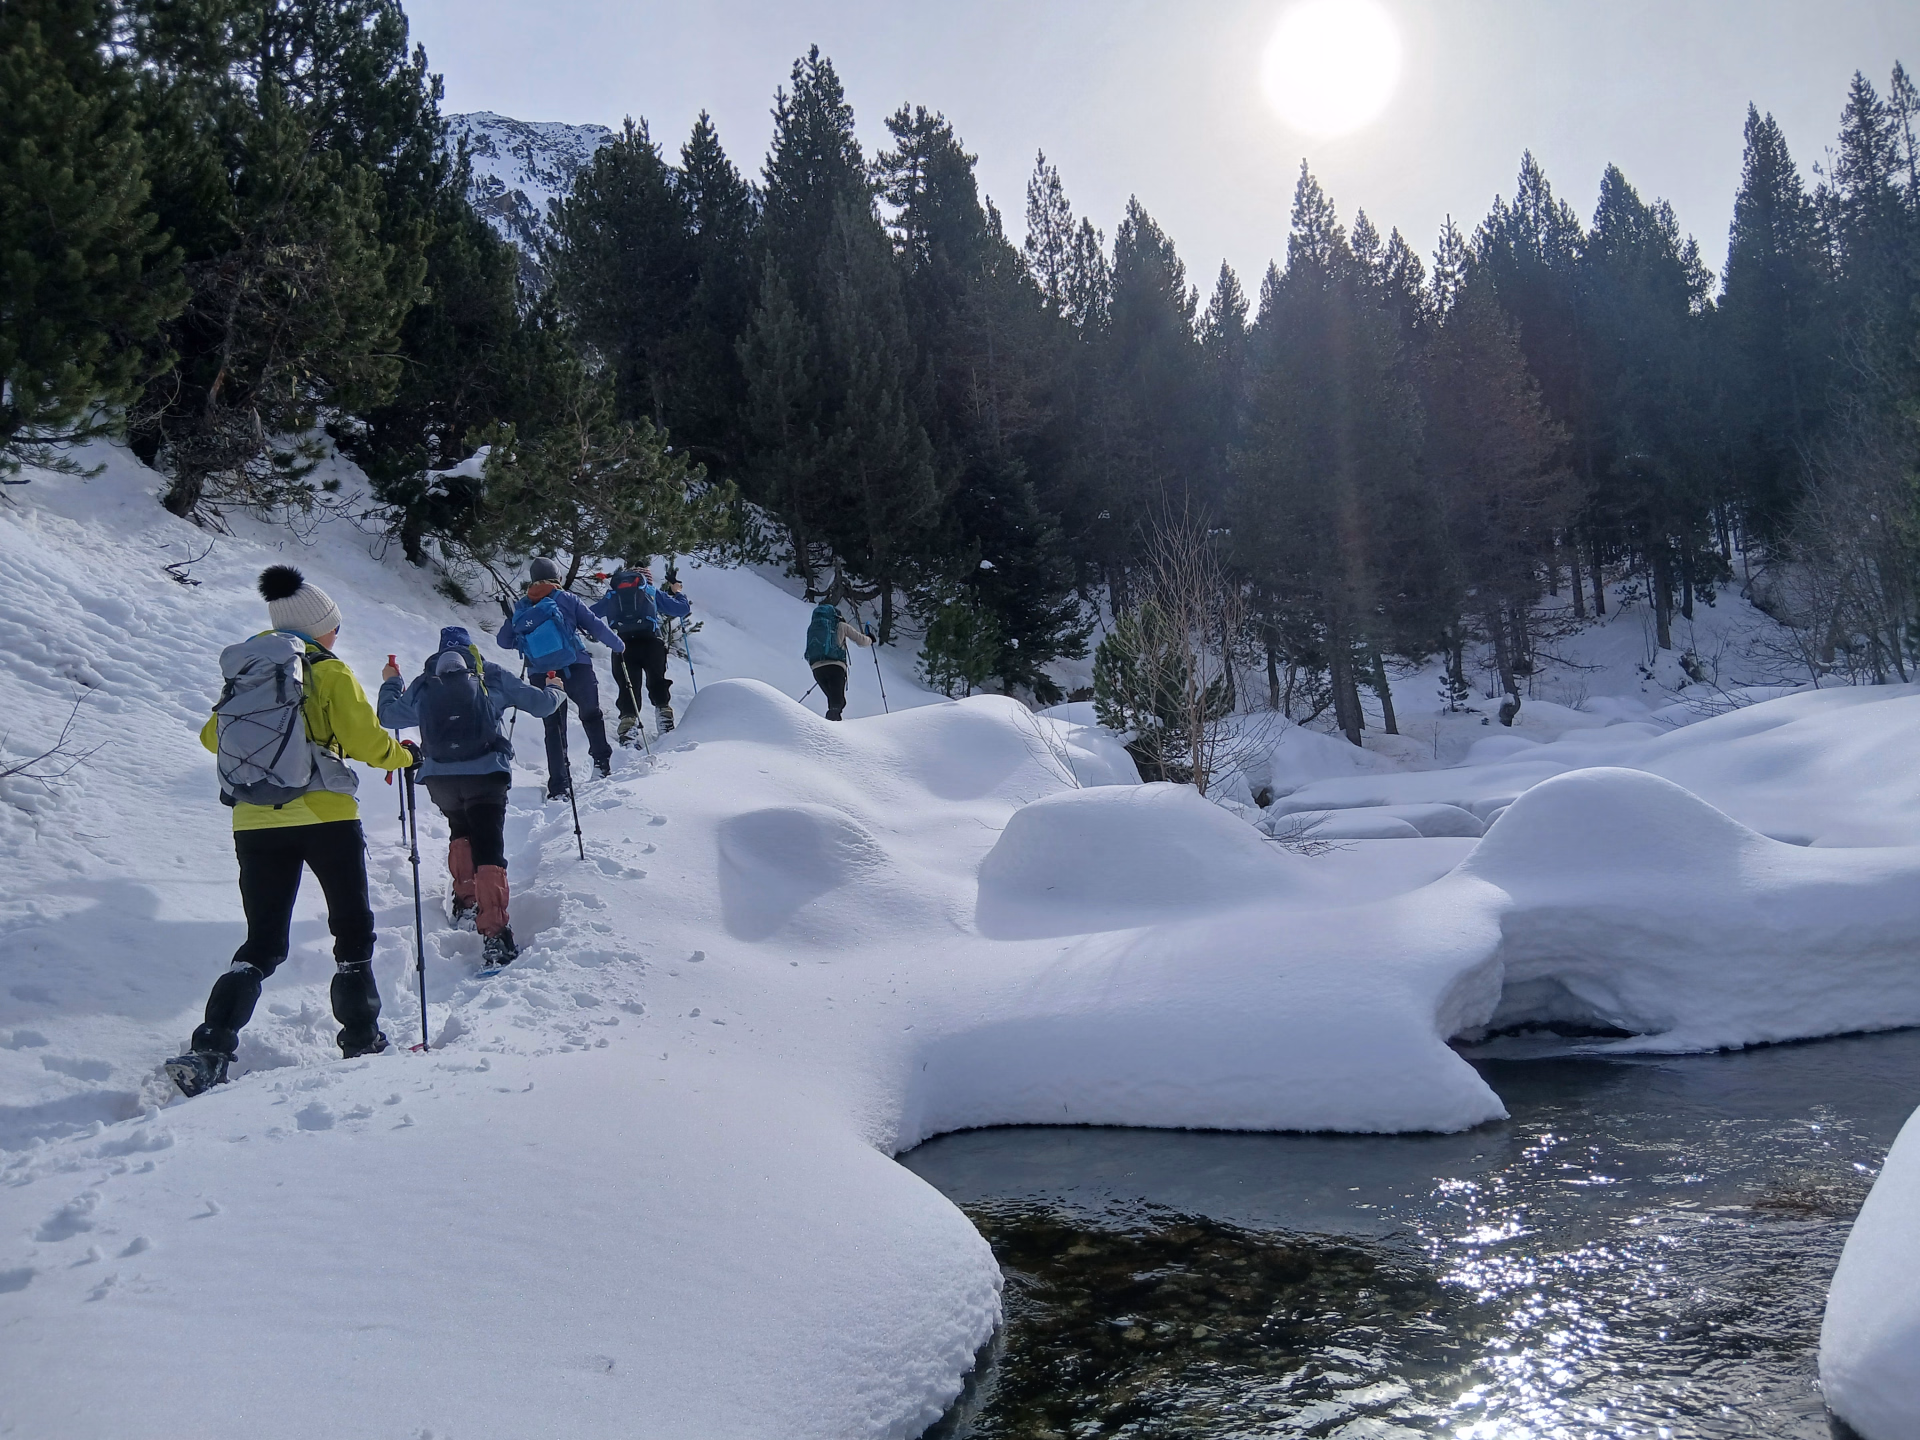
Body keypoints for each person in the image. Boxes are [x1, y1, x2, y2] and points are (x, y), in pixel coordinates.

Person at [166, 566, 415, 1098]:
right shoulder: (329, 670)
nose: (336, 635)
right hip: (326, 818)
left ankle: (210, 1048)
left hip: (254, 820)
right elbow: (368, 743)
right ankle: (362, 1038)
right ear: (320, 627)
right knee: (351, 931)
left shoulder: (247, 670)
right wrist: (402, 755)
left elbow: (215, 737)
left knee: (261, 942)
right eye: (334, 627)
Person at [378, 627, 561, 968]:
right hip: (486, 775)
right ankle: (494, 935)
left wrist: (391, 681)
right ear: (471, 652)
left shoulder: (424, 683)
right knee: (489, 845)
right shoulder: (490, 674)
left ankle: (466, 902)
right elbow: (542, 706)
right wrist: (554, 690)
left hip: (441, 779)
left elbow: (387, 716)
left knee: (460, 831)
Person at [495, 557, 625, 796]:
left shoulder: (523, 605)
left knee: (554, 728)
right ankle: (601, 764)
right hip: (576, 666)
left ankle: (559, 785)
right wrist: (618, 645)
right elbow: (594, 625)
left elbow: (503, 641)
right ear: (557, 577)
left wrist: (515, 626)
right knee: (591, 714)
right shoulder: (566, 598)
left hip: (542, 674)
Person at [592, 559, 692, 743]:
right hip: (652, 643)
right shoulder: (652, 592)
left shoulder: (613, 595)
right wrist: (678, 592)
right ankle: (664, 720)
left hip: (622, 645)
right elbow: (682, 609)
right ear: (646, 581)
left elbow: (591, 614)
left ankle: (628, 727)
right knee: (657, 681)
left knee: (628, 685)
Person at [804, 595, 875, 722]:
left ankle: (831, 726)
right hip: (835, 667)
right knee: (838, 703)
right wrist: (870, 639)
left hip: (816, 668)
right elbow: (861, 641)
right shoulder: (840, 625)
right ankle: (832, 731)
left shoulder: (813, 627)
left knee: (834, 701)